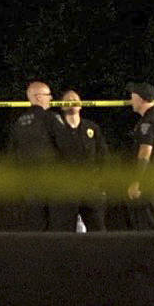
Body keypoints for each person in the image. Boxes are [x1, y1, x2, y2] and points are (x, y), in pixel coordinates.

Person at [8, 81, 67, 231]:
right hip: (52, 182)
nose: (51, 98)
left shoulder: (18, 123)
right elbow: (66, 146)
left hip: (28, 183)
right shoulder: (51, 118)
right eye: (48, 95)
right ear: (39, 97)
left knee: (36, 228)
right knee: (57, 227)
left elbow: (12, 155)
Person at [50, 89, 110, 232]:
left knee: (98, 230)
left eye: (75, 98)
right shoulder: (55, 129)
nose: (72, 101)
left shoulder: (92, 128)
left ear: (81, 104)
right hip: (64, 190)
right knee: (63, 233)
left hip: (91, 188)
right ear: (61, 105)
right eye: (68, 99)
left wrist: (102, 183)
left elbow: (103, 156)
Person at [126, 82, 154, 231]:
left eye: (132, 96)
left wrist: (137, 182)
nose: (130, 100)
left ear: (140, 98)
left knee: (149, 228)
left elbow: (145, 153)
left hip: (148, 184)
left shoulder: (148, 123)